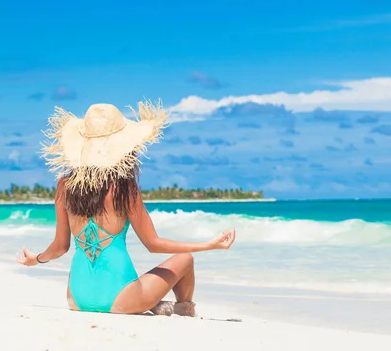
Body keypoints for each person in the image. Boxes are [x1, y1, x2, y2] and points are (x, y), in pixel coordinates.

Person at [16, 101, 236, 316]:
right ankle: (183, 309)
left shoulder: (65, 186)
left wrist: (35, 259)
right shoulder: (124, 188)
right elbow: (153, 244)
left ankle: (153, 302)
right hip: (122, 298)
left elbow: (60, 247)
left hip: (76, 297)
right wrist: (210, 244)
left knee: (135, 282)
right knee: (185, 259)